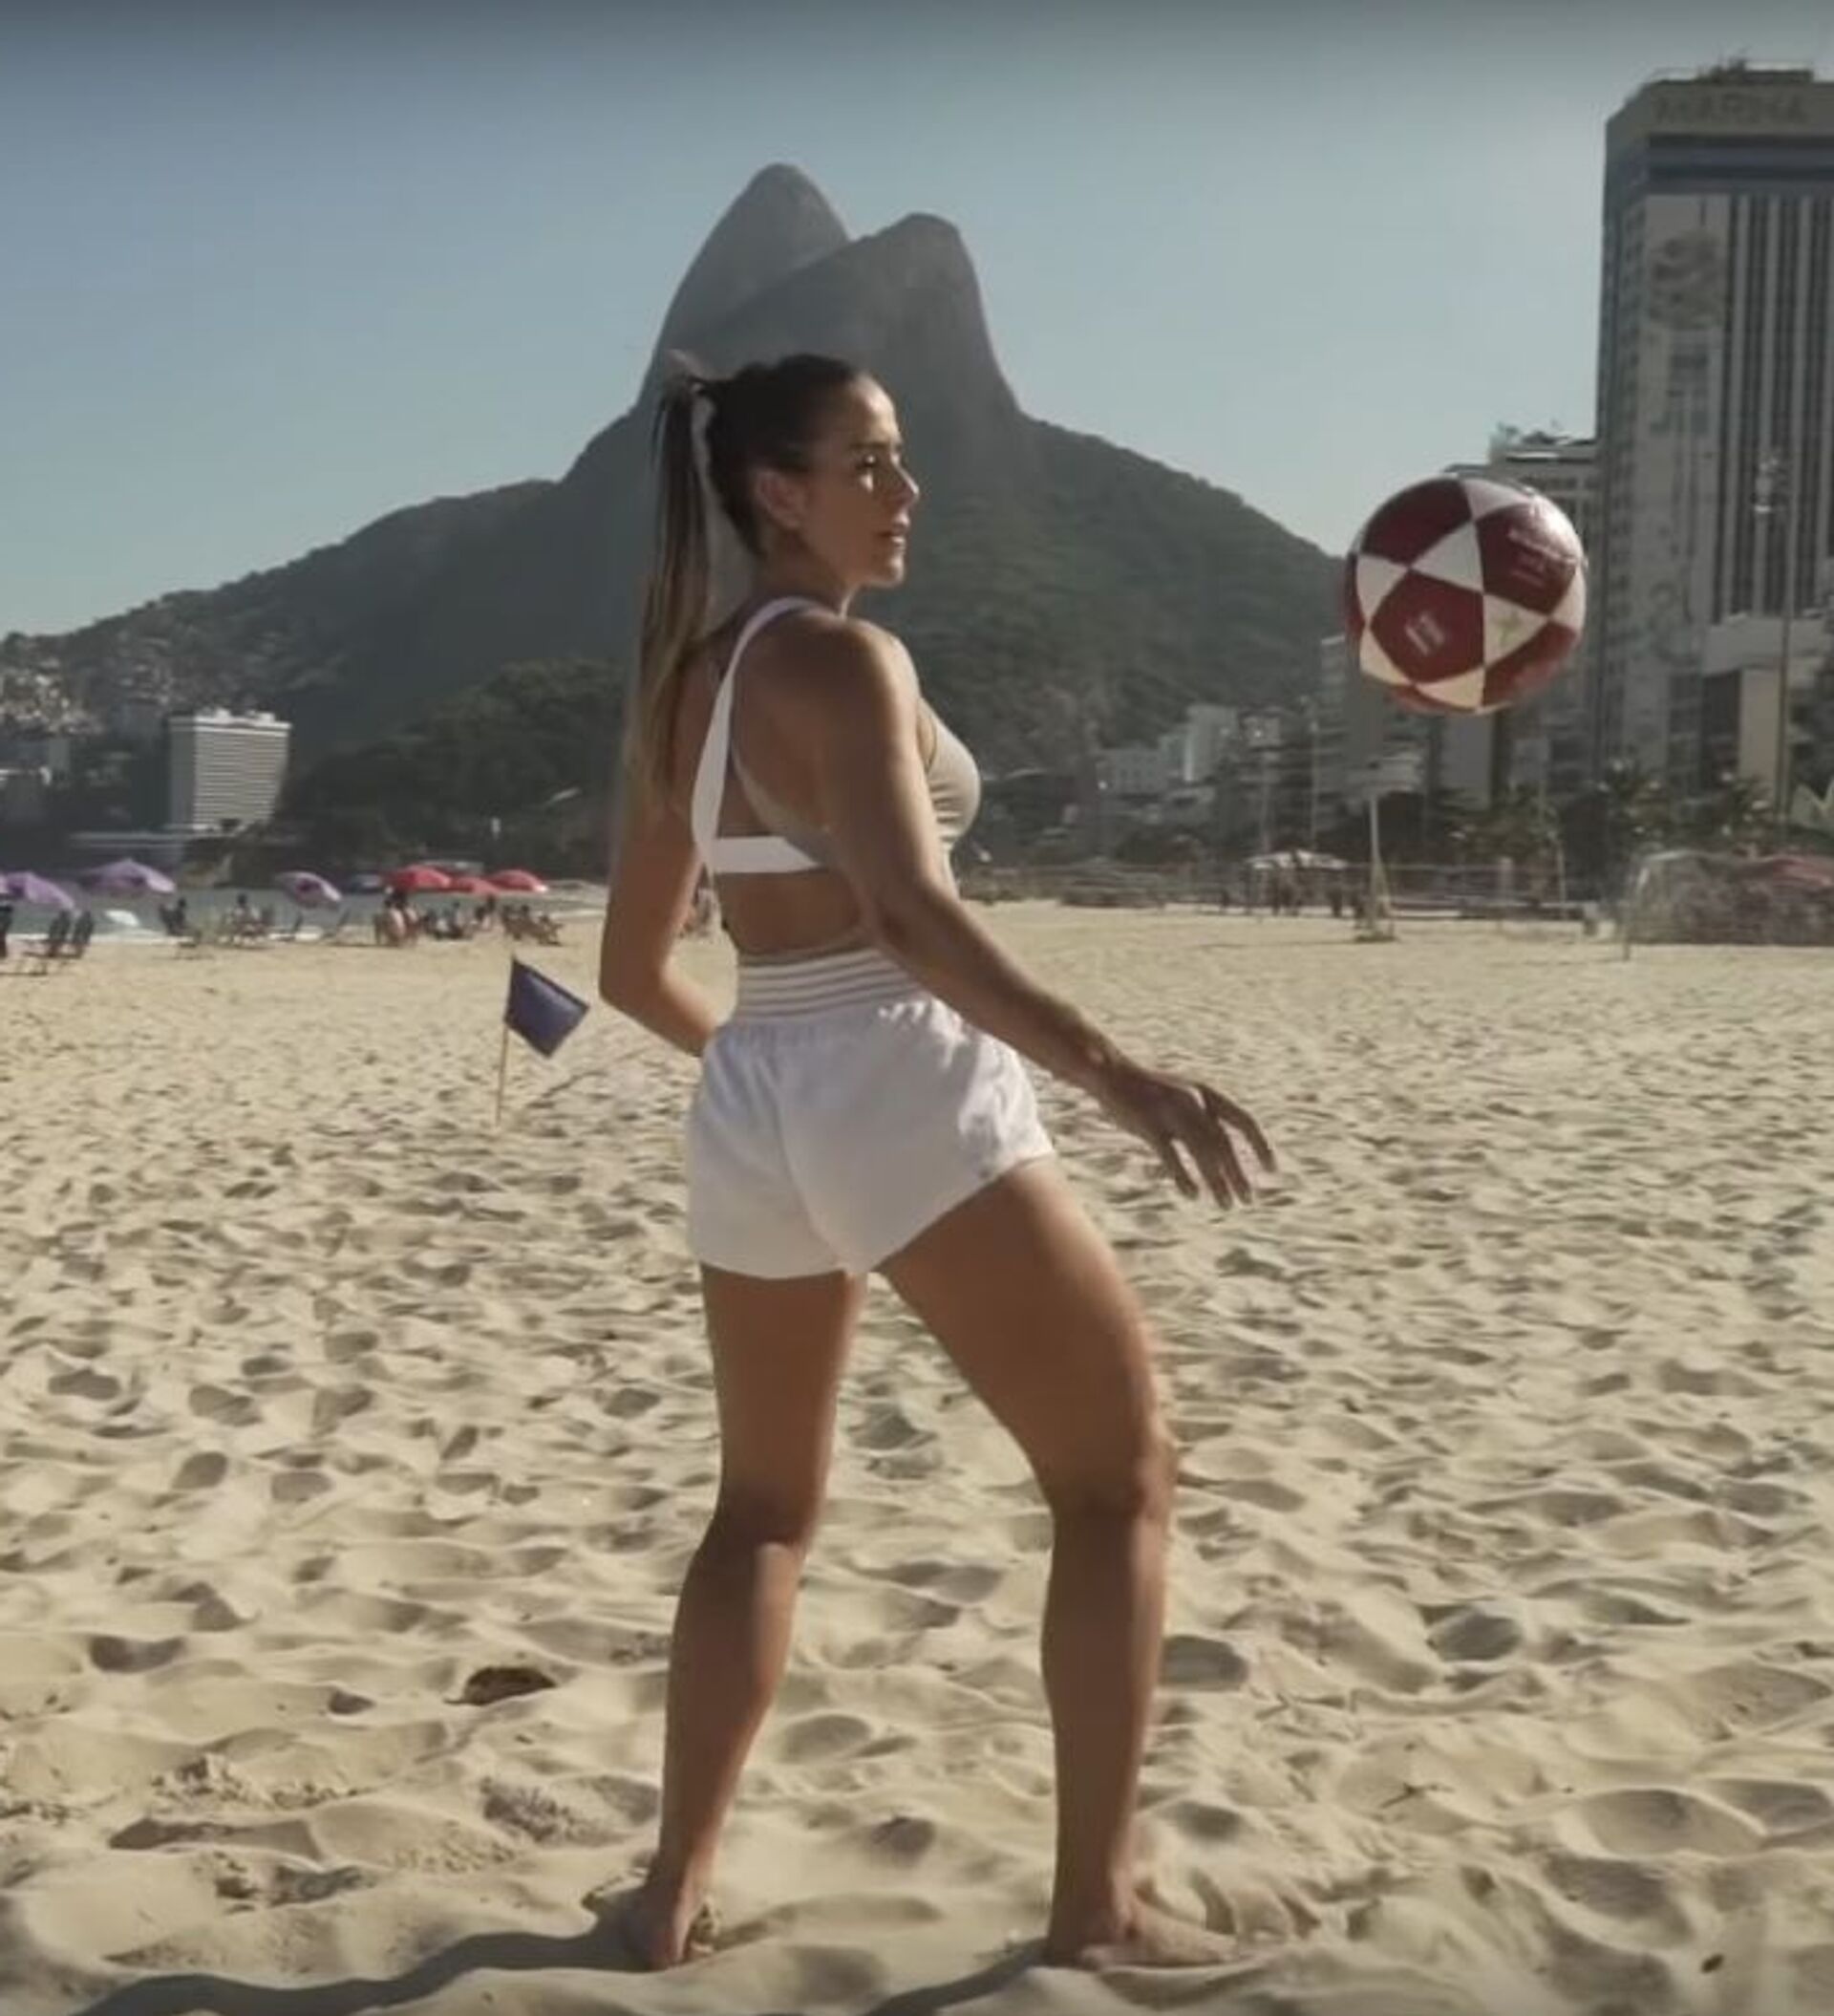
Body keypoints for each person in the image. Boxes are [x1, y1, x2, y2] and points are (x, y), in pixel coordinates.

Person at [596, 354, 1274, 1973]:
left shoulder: (688, 683)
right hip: (889, 1063)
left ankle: (666, 1893)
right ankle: (1097, 1905)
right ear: (779, 491)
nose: (906, 492)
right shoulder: (842, 659)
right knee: (1119, 1475)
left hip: (755, 1088)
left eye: (900, 462)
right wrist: (1116, 1074)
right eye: (871, 463)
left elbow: (631, 968)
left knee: (761, 1509)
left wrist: (783, 1096)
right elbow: (908, 913)